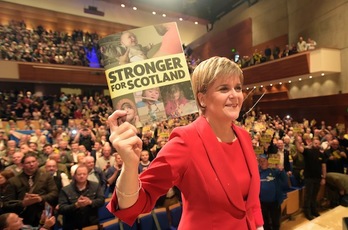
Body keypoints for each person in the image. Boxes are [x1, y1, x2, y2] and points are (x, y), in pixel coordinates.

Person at [107, 57, 264, 229]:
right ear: (202, 99)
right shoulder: (185, 141)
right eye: (224, 88)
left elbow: (251, 202)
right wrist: (129, 166)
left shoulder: (244, 136)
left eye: (238, 88)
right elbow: (135, 203)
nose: (235, 95)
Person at [3, 152, 58, 226]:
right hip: (23, 218)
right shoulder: (13, 181)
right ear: (22, 165)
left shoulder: (46, 176)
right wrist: (23, 203)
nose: (31, 164)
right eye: (28, 163)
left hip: (43, 215)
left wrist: (40, 198)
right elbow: (7, 204)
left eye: (33, 161)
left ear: (37, 163)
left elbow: (54, 193)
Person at [295, 136, 327, 220]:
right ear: (312, 143)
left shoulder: (321, 154)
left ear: (319, 144)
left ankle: (314, 210)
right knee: (308, 196)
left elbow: (324, 166)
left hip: (318, 178)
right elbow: (299, 148)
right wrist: (296, 139)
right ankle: (307, 212)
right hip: (308, 177)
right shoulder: (307, 151)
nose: (316, 145)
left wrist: (324, 177)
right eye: (315, 143)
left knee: (314, 195)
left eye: (318, 143)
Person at [258, 154, 287, 230]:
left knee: (276, 221)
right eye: (260, 161)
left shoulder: (274, 171)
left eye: (264, 161)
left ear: (268, 161)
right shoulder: (257, 172)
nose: (262, 163)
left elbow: (285, 181)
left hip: (274, 202)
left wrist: (282, 170)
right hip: (262, 203)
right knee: (265, 222)